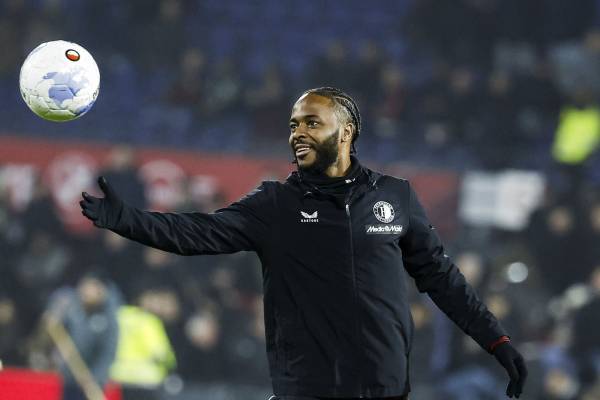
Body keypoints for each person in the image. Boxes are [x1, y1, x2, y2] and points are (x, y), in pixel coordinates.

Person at [80, 87, 527, 399]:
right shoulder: (274, 204)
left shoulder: (396, 197)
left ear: (346, 131)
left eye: (312, 123)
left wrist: (496, 340)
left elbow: (443, 279)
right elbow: (196, 234)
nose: (298, 133)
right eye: (294, 125)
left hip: (384, 388)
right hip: (307, 389)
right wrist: (127, 220)